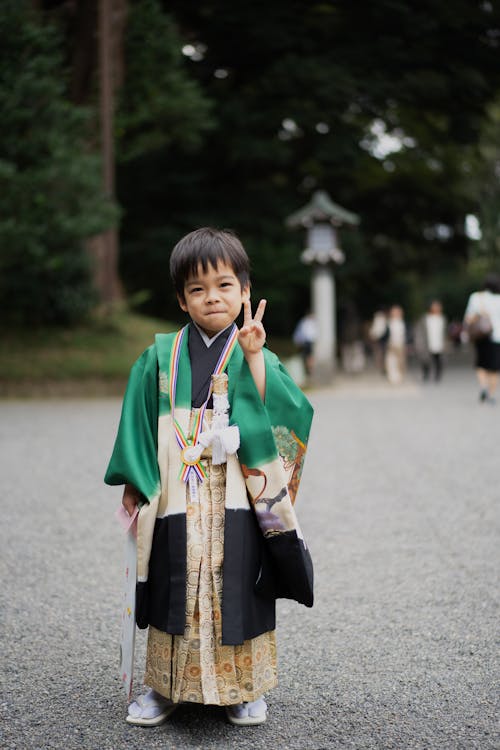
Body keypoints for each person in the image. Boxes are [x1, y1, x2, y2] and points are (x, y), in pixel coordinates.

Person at [104, 228, 314, 728]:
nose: (212, 297)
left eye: (224, 285)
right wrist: (137, 480)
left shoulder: (252, 348)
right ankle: (164, 686)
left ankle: (244, 689)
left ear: (245, 291)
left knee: (238, 580)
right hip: (176, 488)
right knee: (171, 580)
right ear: (181, 299)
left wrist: (257, 357)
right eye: (197, 289)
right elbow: (137, 420)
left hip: (237, 491)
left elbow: (284, 416)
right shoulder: (159, 356)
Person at [463, 273, 500, 404]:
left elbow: (468, 317)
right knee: (494, 368)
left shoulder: (476, 297)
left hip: (481, 336)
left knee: (481, 364)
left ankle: (483, 386)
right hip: (497, 337)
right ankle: (490, 394)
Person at [413, 300, 447, 382]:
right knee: (425, 360)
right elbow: (419, 331)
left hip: (439, 343)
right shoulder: (424, 318)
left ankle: (437, 376)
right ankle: (426, 374)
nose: (437, 308)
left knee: (439, 360)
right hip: (427, 343)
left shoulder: (442, 318)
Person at [384, 305, 407, 384]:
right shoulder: (389, 323)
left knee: (400, 362)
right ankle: (392, 377)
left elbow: (406, 335)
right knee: (391, 361)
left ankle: (399, 376)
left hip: (400, 344)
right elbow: (385, 334)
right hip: (390, 344)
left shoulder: (403, 323)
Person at [292, 310, 317, 377]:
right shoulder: (306, 322)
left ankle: (309, 370)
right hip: (306, 342)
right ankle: (308, 371)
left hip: (308, 342)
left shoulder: (307, 322)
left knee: (308, 356)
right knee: (306, 356)